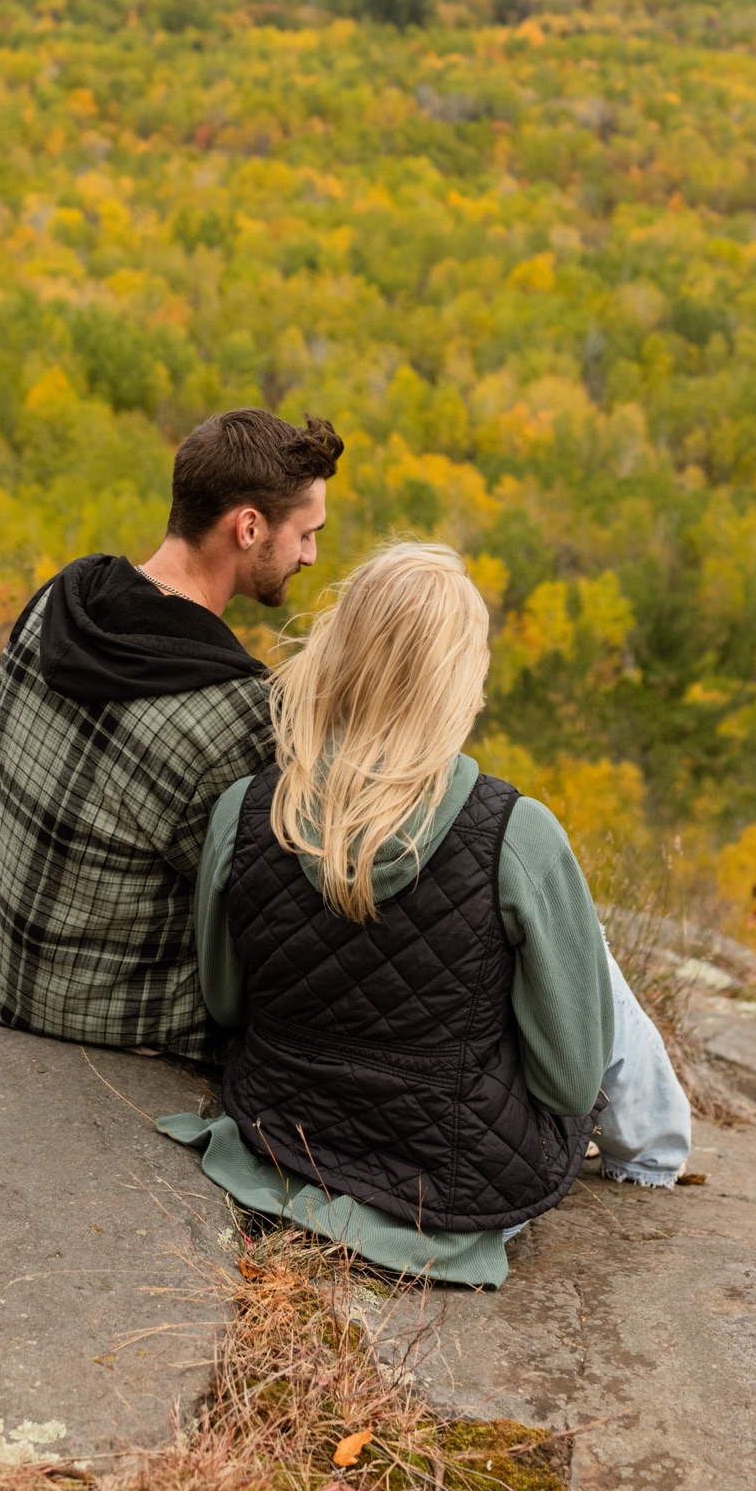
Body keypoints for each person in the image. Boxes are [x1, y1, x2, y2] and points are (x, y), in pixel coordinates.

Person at [159, 540, 691, 1285]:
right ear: (457, 683)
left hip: (281, 1145)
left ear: (339, 652)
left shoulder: (244, 811)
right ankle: (655, 1164)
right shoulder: (516, 832)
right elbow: (570, 1087)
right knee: (583, 950)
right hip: (453, 1190)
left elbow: (226, 1001)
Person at [0, 407, 343, 1059]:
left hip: (18, 980)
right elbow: (274, 920)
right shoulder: (231, 714)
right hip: (132, 1028)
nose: (311, 554)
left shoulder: (59, 603)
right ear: (248, 526)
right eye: (307, 533)